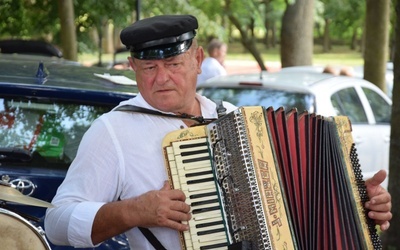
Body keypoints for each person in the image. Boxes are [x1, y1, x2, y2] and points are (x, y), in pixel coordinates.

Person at [44, 15, 392, 249]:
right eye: (148, 67)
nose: (161, 78)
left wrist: (360, 203)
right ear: (133, 66)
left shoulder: (234, 120)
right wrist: (133, 211)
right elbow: (56, 222)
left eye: (174, 64)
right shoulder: (113, 130)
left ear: (197, 60)